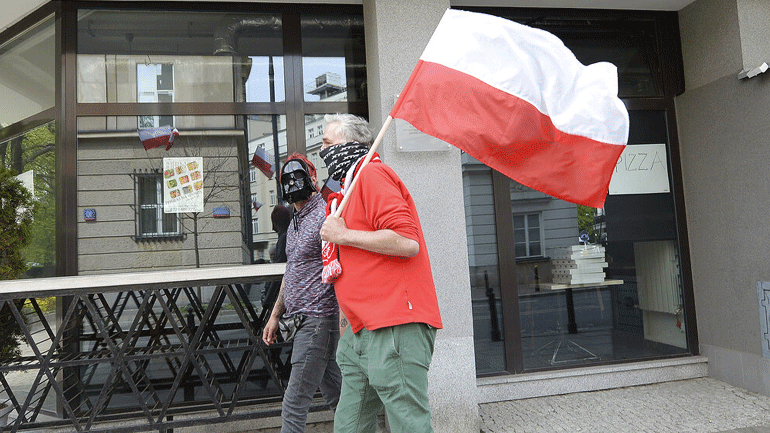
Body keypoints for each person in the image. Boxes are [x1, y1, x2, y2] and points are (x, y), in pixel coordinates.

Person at [318, 114, 443, 433]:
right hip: (362, 331)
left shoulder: (372, 176)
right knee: (349, 423)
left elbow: (407, 241)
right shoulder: (347, 188)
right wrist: (348, 325)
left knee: (408, 422)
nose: (322, 152)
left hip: (394, 327)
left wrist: (343, 236)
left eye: (328, 144)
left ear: (350, 145)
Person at [262, 153, 342, 433]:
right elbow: (292, 271)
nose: (294, 181)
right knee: (338, 397)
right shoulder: (295, 221)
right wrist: (275, 315)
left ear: (314, 176)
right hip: (301, 319)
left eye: (301, 174)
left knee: (294, 405)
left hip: (317, 319)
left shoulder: (326, 214)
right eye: (288, 178)